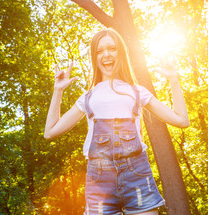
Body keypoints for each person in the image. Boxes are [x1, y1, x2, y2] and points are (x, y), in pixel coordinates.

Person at [44, 28, 189, 215]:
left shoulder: (137, 92)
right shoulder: (87, 97)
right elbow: (50, 132)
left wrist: (174, 80)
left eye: (112, 48)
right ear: (94, 57)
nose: (106, 55)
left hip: (136, 174)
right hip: (99, 180)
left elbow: (182, 121)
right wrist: (58, 91)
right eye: (99, 51)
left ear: (121, 52)